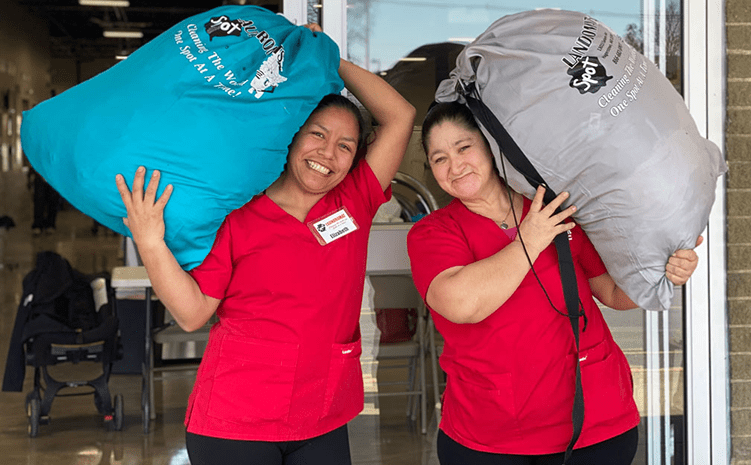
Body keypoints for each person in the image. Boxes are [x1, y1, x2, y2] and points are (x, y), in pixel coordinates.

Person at [115, 24, 416, 465]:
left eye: (345, 145)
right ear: (292, 135)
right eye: (317, 134)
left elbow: (401, 115)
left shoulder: (355, 199)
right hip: (236, 422)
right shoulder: (240, 214)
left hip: (322, 417)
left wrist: (325, 59)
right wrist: (150, 241)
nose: (328, 153)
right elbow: (193, 311)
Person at [406, 101, 701, 465]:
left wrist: (662, 271)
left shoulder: (552, 207)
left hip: (593, 421)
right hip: (491, 433)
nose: (454, 165)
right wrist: (530, 239)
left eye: (464, 147)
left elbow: (611, 291)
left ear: (490, 146)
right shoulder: (434, 233)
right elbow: (460, 304)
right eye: (439, 158)